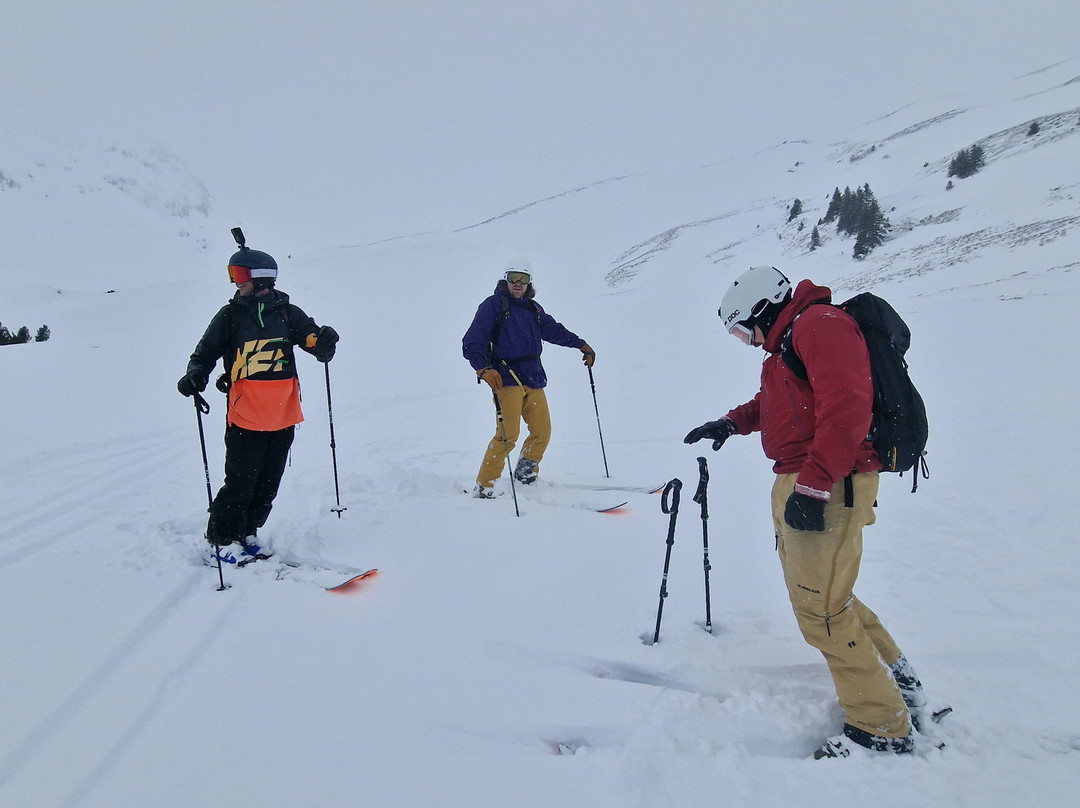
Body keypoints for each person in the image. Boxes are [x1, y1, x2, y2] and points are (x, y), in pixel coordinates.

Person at [684, 264, 930, 759]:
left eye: (740, 328)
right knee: (833, 599)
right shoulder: (787, 343)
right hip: (808, 477)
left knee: (821, 612)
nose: (745, 340)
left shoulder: (819, 326)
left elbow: (848, 406)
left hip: (828, 480)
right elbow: (779, 403)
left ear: (761, 309)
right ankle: (897, 685)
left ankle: (881, 726)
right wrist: (731, 423)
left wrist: (814, 487)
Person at [177, 232, 339, 563]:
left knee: (268, 484)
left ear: (259, 278)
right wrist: (196, 375)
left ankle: (248, 531)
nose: (235, 283)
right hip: (245, 414)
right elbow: (204, 353)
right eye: (233, 276)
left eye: (238, 276)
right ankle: (223, 538)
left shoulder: (288, 314)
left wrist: (324, 343)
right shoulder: (230, 316)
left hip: (283, 415)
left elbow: (313, 344)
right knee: (240, 481)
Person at [462, 259, 595, 497]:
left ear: (529, 283)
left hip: (533, 376)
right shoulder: (494, 305)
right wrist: (483, 369)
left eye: (523, 279)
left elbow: (554, 330)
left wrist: (581, 345)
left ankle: (525, 474)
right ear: (505, 280)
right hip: (505, 377)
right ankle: (485, 485)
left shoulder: (533, 309)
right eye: (513, 278)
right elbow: (473, 341)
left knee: (542, 431)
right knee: (508, 435)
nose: (517, 283)